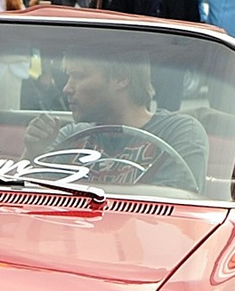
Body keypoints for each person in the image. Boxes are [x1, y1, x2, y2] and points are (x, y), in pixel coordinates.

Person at [29, 55, 212, 192]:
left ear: (121, 79)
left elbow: (177, 215)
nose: (67, 88)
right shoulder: (70, 135)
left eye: (79, 76)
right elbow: (35, 203)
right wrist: (33, 153)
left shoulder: (178, 132)